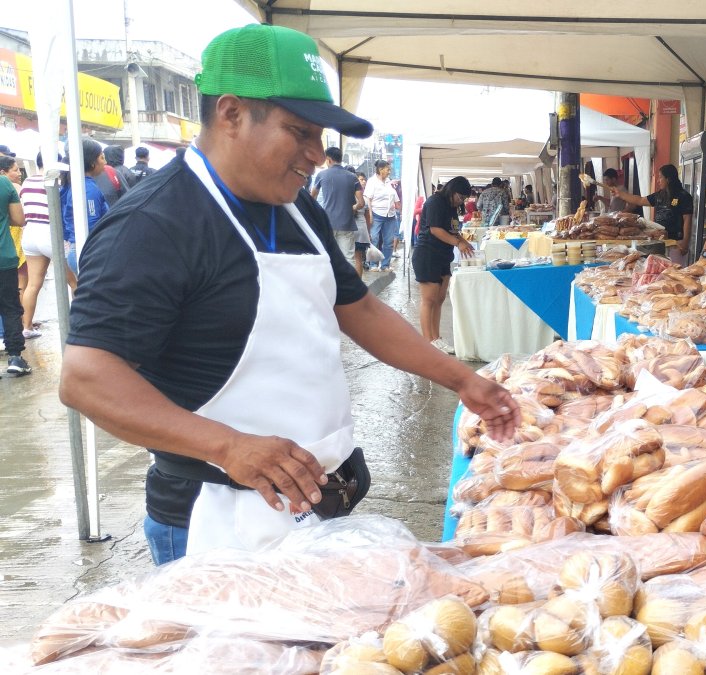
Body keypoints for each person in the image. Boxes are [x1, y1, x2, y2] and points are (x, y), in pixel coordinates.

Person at [58, 24, 519, 564]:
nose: (317, 154)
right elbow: (87, 378)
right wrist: (228, 446)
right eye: (299, 132)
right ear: (230, 114)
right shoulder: (156, 224)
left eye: (319, 137)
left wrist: (463, 380)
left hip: (317, 497)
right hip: (217, 516)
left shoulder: (300, 209)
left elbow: (361, 308)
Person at [412, 177, 474, 356]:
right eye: (460, 197)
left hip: (443, 255)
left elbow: (452, 229)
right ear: (452, 190)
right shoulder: (435, 202)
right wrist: (458, 243)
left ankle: (436, 338)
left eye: (463, 199)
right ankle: (428, 341)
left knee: (439, 299)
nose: (460, 201)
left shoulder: (452, 206)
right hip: (427, 254)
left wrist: (463, 241)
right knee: (429, 299)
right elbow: (435, 229)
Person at [610, 164, 693, 265]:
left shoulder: (684, 196)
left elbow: (687, 220)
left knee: (674, 272)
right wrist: (620, 194)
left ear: (668, 179)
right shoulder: (659, 195)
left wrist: (685, 241)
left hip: (676, 243)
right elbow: (640, 200)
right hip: (659, 242)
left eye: (660, 177)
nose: (658, 180)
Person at [19, 153, 64, 338]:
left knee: (33, 284)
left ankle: (27, 328)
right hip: (49, 232)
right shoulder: (54, 183)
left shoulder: (26, 182)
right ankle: (81, 326)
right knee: (73, 280)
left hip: (29, 233)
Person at [61, 139, 110, 277]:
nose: (105, 162)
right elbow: (91, 224)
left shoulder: (74, 184)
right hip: (89, 252)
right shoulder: (88, 189)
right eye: (102, 157)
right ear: (92, 162)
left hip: (78, 249)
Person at [1, 155, 30, 375]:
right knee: (10, 308)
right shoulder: (5, 184)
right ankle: (15, 359)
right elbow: (19, 219)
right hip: (4, 258)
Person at [310, 146, 363, 266]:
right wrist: (352, 208)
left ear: (328, 159)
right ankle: (347, 284)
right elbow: (361, 203)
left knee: (327, 257)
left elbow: (311, 198)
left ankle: (330, 283)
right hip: (347, 223)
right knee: (348, 258)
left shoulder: (321, 175)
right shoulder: (353, 177)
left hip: (328, 223)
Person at [364, 160, 400, 270]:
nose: (389, 172)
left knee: (388, 241)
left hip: (390, 215)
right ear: (381, 169)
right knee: (374, 239)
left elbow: (395, 198)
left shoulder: (388, 182)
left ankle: (385, 265)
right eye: (388, 169)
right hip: (377, 214)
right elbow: (367, 198)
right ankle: (373, 264)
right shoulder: (372, 182)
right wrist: (370, 213)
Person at [352, 171, 371, 277]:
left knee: (353, 258)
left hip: (351, 230)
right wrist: (368, 232)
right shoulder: (364, 198)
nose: (363, 181)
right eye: (361, 179)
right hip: (362, 230)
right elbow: (368, 219)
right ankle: (358, 284)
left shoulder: (348, 196)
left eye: (364, 179)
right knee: (358, 258)